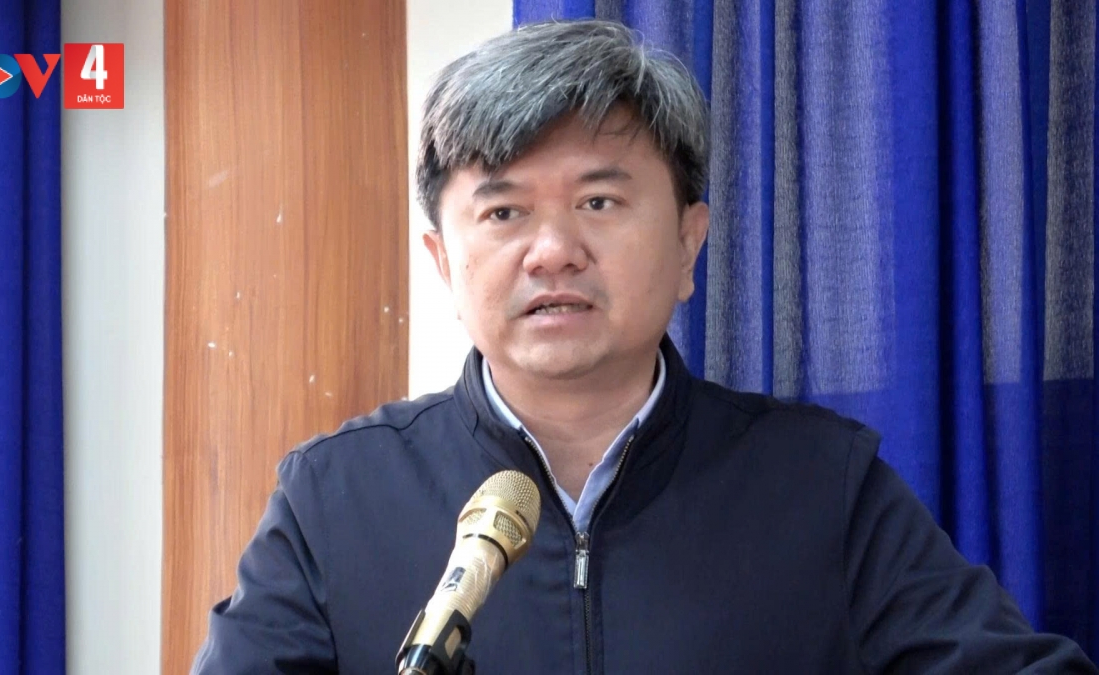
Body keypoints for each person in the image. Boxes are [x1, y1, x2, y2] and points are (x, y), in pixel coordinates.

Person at [191, 18, 1096, 674]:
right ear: (442, 261)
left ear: (688, 244)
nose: (553, 250)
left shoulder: (823, 484)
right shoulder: (332, 499)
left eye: (599, 202)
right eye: (504, 212)